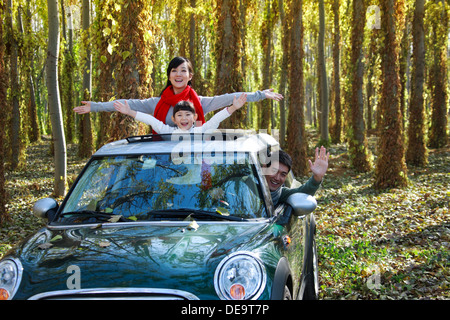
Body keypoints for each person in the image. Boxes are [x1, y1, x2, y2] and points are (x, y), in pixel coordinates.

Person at [73, 56, 283, 128]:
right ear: (170, 75)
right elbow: (127, 105)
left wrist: (261, 94)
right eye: (174, 70)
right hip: (162, 157)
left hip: (193, 156)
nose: (179, 74)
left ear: (190, 76)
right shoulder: (157, 102)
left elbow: (232, 98)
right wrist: (95, 107)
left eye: (184, 70)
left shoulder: (200, 102)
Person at [113, 93, 247, 134]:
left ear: (195, 118)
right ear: (173, 119)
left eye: (188, 115)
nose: (184, 118)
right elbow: (150, 120)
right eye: (179, 115)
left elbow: (216, 119)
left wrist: (234, 107)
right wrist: (129, 111)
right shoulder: (167, 131)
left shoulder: (201, 131)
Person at [265, 147, 329, 206]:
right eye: (274, 171)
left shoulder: (279, 194)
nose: (277, 178)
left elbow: (302, 193)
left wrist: (316, 178)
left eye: (283, 174)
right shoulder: (254, 189)